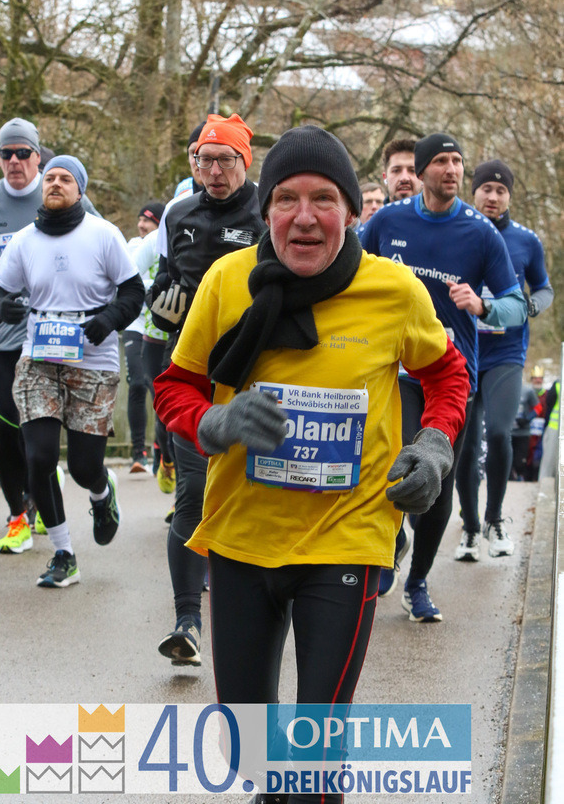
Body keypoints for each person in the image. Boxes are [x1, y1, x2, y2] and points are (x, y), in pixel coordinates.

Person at [153, 126, 469, 804]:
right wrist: (213, 420)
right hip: (241, 537)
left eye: (323, 199)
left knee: (314, 765)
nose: (304, 216)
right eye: (286, 199)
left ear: (352, 212)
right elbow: (174, 384)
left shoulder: (394, 292)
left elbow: (447, 375)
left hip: (346, 538)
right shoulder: (225, 282)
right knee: (253, 757)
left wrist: (433, 446)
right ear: (264, 211)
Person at [361, 132, 527, 620]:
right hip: (397, 373)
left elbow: (516, 305)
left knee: (437, 492)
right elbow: (353, 273)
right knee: (391, 463)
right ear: (424, 171)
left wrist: (482, 305)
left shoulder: (480, 232)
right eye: (442, 162)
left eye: (458, 162)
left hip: (453, 380)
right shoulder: (388, 221)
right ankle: (390, 545)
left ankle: (418, 583)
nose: (452, 170)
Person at [0, 155, 144, 587]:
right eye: (50, 177)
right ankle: (63, 553)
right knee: (37, 456)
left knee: (82, 466)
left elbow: (134, 293)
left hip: (93, 358)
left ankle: (100, 491)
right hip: (39, 358)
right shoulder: (23, 241)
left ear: (81, 190)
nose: (55, 183)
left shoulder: (104, 234)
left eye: (65, 179)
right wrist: (4, 307)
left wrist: (108, 320)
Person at [150, 113, 266, 666]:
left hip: (256, 377)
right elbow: (165, 276)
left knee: (254, 496)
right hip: (195, 375)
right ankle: (186, 621)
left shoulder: (269, 212)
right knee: (191, 497)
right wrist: (161, 301)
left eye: (225, 160)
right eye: (204, 159)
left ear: (246, 162)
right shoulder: (178, 214)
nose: (214, 171)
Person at [0, 118, 100, 554]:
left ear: (38, 156)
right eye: (6, 154)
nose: (15, 161)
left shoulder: (64, 193)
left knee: (38, 433)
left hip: (54, 337)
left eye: (24, 153)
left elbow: (103, 247)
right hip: (0, 337)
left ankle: (46, 498)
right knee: (3, 427)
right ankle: (17, 516)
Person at [454, 160, 553, 560]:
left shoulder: (527, 241)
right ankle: (470, 528)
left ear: (509, 195)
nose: (493, 197)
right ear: (473, 191)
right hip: (463, 349)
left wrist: (529, 306)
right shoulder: (458, 230)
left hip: (506, 354)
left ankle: (495, 520)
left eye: (500, 190)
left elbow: (544, 288)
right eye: (486, 189)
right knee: (463, 443)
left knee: (498, 432)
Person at [122, 201, 168, 473]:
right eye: (140, 219)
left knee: (157, 388)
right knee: (137, 383)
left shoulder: (164, 245)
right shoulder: (130, 246)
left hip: (158, 327)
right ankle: (138, 452)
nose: (141, 225)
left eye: (148, 221)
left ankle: (160, 447)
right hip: (134, 324)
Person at [381, 137, 422, 202]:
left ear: (422, 176)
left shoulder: (438, 211)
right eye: (396, 171)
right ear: (385, 177)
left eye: (412, 170)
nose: (404, 178)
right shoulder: (377, 212)